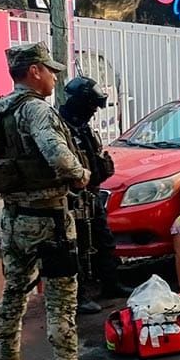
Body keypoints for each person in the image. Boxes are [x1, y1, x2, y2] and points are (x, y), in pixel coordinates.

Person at [0, 42, 116, 360]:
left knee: (14, 293)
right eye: (50, 70)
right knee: (61, 302)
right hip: (49, 219)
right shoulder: (36, 109)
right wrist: (83, 175)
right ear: (34, 71)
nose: (54, 77)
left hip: (13, 217)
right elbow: (60, 159)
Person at [59, 76, 132, 314]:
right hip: (72, 198)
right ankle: (78, 297)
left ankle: (111, 284)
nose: (94, 111)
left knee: (104, 240)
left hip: (92, 194)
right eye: (91, 105)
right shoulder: (60, 126)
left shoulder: (83, 126)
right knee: (77, 247)